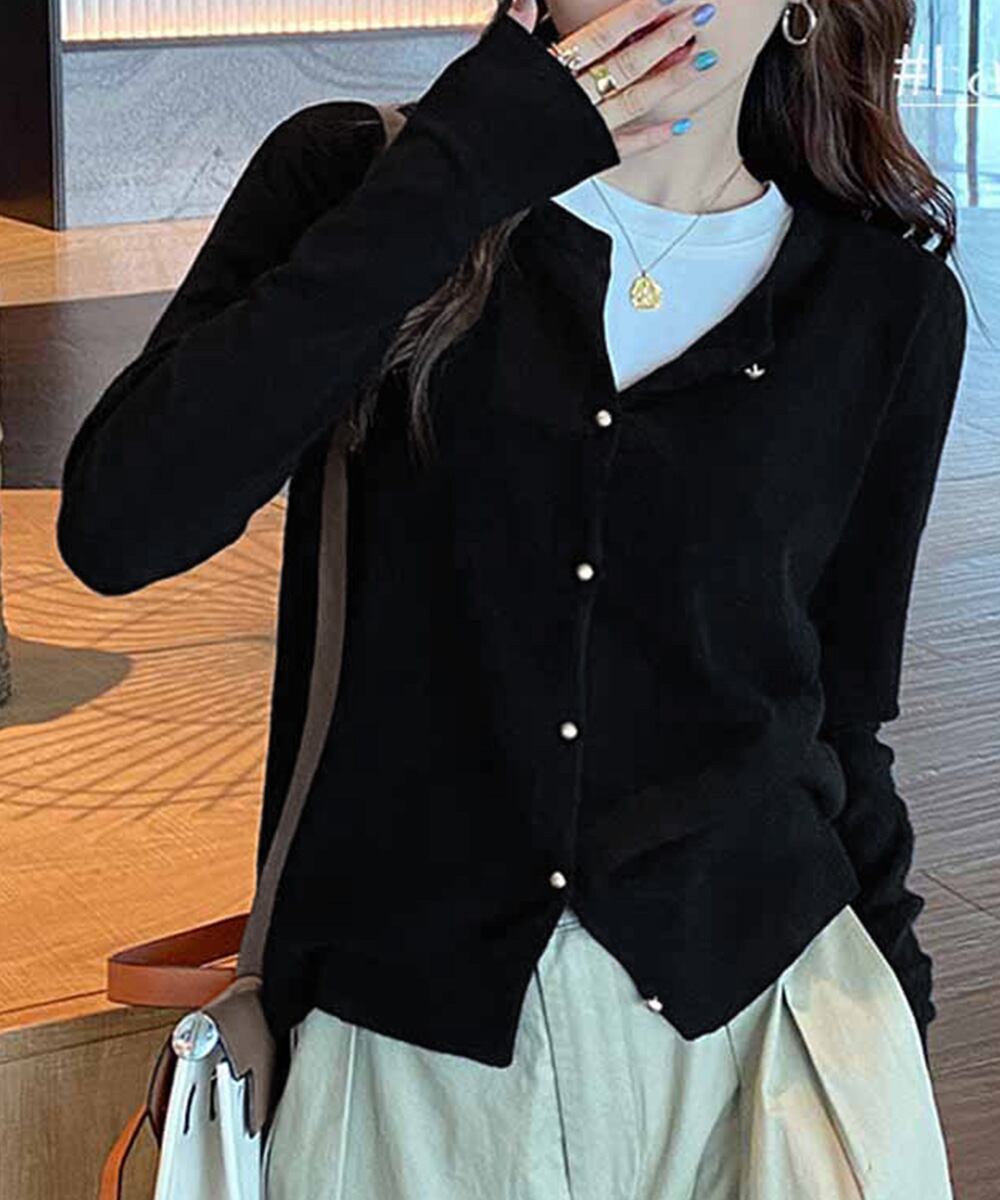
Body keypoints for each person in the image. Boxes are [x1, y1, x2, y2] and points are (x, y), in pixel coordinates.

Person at [58, 0, 969, 1195]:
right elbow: (122, 525)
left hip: (772, 1033)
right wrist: (467, 165)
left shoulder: (883, 301)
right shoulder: (365, 180)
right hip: (410, 1056)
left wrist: (894, 1044)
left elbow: (841, 716)